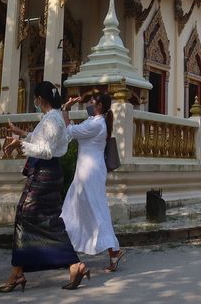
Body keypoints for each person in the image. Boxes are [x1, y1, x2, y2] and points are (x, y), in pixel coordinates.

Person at [0, 82, 88, 292]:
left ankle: (21, 272)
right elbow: (42, 141)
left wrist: (21, 145)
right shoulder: (51, 118)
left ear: (40, 99)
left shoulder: (53, 119)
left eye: (36, 97)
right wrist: (21, 134)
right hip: (46, 173)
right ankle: (23, 271)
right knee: (40, 220)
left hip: (45, 174)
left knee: (27, 217)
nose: (35, 101)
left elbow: (46, 151)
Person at [61, 92, 125, 272]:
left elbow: (70, 131)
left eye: (91, 102)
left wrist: (65, 109)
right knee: (74, 208)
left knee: (94, 210)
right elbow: (73, 130)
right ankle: (67, 252)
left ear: (99, 106)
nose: (88, 104)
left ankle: (114, 250)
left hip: (89, 172)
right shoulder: (94, 121)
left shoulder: (96, 124)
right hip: (87, 171)